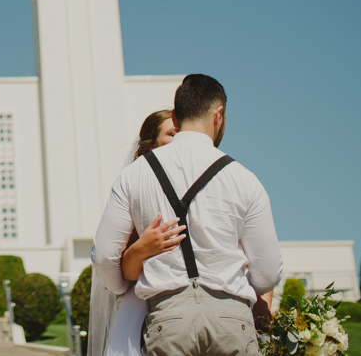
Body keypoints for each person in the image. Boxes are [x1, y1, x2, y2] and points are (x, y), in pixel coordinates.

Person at [93, 74, 283, 356]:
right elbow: (267, 271)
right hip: (232, 320)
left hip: (168, 317)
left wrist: (123, 285)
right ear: (218, 115)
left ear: (176, 115)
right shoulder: (244, 178)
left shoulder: (135, 174)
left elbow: (104, 255)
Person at [87, 110, 185, 356]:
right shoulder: (138, 188)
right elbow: (124, 271)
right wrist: (142, 248)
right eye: (172, 134)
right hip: (147, 309)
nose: (181, 141)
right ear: (151, 146)